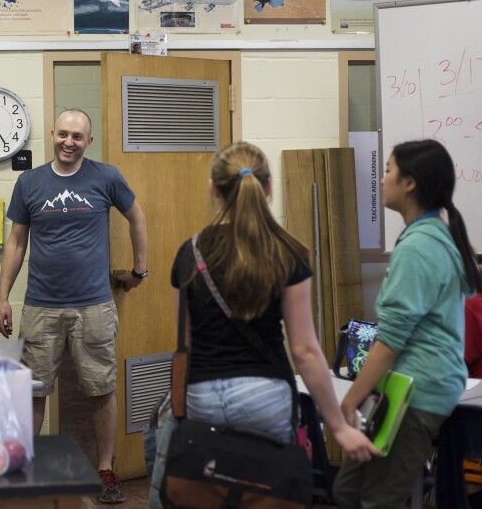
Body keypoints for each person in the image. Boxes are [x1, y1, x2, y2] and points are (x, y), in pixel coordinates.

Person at [149, 141, 379, 506]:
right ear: (268, 188)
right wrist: (337, 426)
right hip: (266, 397)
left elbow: (186, 344)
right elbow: (304, 351)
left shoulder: (189, 252)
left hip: (203, 395)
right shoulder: (287, 251)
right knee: (261, 490)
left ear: (213, 187)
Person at [0, 108, 148, 504]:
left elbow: (137, 218)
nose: (69, 142)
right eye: (63, 134)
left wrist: (139, 271)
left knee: (101, 389)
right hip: (40, 306)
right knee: (34, 389)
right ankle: (28, 469)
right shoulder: (30, 182)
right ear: (52, 134)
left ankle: (106, 470)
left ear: (88, 142)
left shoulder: (106, 177)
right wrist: (1, 298)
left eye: (77, 137)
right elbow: (15, 242)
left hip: (94, 305)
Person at [333, 139, 482, 509]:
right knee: (347, 491)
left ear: (410, 182)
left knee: (376, 500)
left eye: (388, 170)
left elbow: (392, 339)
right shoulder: (429, 236)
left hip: (417, 393)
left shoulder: (420, 246)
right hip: (407, 387)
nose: (382, 180)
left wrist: (351, 400)